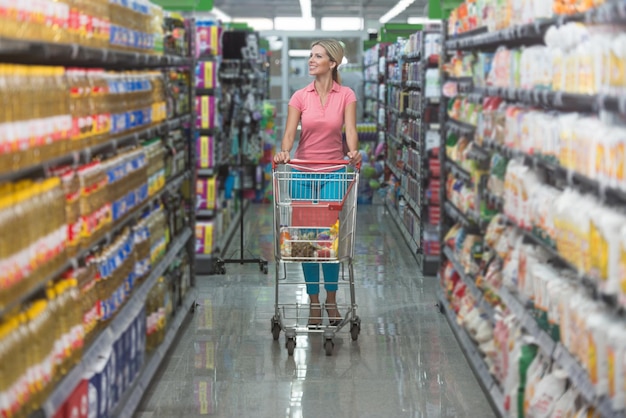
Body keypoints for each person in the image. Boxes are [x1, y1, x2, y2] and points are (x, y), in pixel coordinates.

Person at [274, 39, 361, 328]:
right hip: (301, 173)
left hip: (334, 172)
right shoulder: (300, 96)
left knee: (328, 239)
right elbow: (289, 135)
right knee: (306, 240)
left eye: (318, 56)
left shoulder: (346, 95)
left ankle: (332, 300)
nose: (311, 60)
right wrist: (283, 151)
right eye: (311, 56)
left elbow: (350, 131)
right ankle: (313, 302)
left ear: (332, 63)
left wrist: (353, 152)